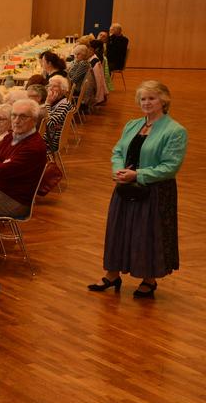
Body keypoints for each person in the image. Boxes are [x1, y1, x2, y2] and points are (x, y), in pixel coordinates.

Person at [89, 81, 186, 299]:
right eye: (143, 98)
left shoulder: (175, 131)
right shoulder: (132, 125)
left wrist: (138, 175)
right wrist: (119, 170)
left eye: (152, 98)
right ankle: (112, 274)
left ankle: (149, 280)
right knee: (118, 230)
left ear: (164, 100)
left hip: (155, 191)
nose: (147, 102)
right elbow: (117, 151)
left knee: (147, 234)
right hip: (125, 186)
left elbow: (170, 166)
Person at [0, 99, 48, 218]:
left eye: (23, 117)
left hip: (14, 201)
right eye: (14, 116)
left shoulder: (33, 147)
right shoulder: (11, 136)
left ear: (34, 120)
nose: (17, 121)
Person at [44, 75, 72, 153]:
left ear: (63, 90)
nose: (50, 88)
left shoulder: (64, 105)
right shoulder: (56, 101)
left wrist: (47, 103)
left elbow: (49, 123)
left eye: (55, 86)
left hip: (50, 141)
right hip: (49, 136)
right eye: (49, 85)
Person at [89, 40, 109, 106]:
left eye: (90, 48)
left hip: (92, 83)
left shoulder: (96, 59)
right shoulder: (98, 55)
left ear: (95, 49)